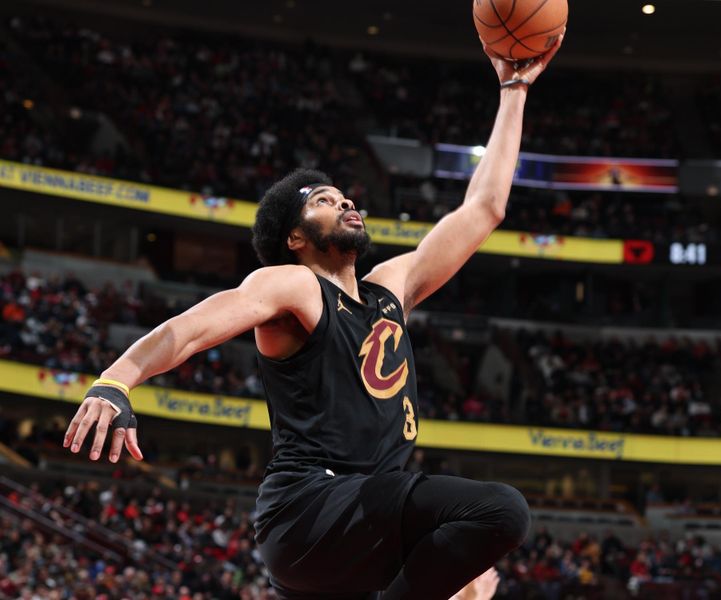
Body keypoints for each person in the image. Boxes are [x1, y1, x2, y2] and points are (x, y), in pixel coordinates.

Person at [63, 36, 564, 600]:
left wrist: (514, 89)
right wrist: (116, 380)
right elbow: (193, 326)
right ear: (295, 237)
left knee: (470, 585)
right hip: (312, 508)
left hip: (351, 529)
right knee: (501, 511)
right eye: (324, 200)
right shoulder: (294, 284)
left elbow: (484, 209)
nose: (346, 202)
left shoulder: (389, 291)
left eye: (346, 197)